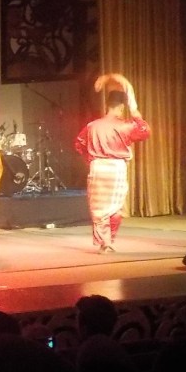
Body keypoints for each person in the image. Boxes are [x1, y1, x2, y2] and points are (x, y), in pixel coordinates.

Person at [73, 74, 151, 253]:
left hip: (98, 168)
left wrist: (90, 160)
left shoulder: (92, 126)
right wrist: (135, 112)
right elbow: (145, 131)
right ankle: (110, 241)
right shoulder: (126, 125)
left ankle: (105, 242)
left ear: (107, 105)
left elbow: (78, 144)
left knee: (99, 209)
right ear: (122, 107)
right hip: (116, 169)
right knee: (115, 208)